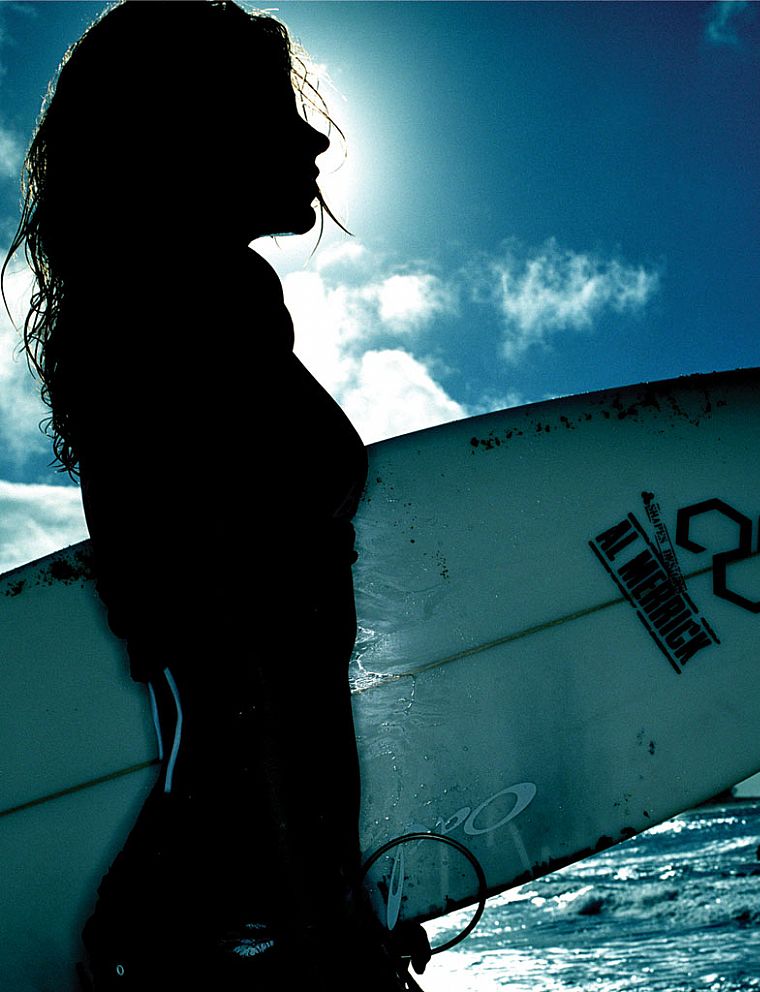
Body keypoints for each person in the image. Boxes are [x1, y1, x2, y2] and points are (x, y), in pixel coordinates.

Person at [5, 2, 429, 987]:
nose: (314, 134)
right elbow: (257, 673)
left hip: (206, 905)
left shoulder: (132, 329)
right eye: (275, 112)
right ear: (191, 136)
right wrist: (327, 927)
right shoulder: (208, 311)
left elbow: (204, 675)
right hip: (244, 916)